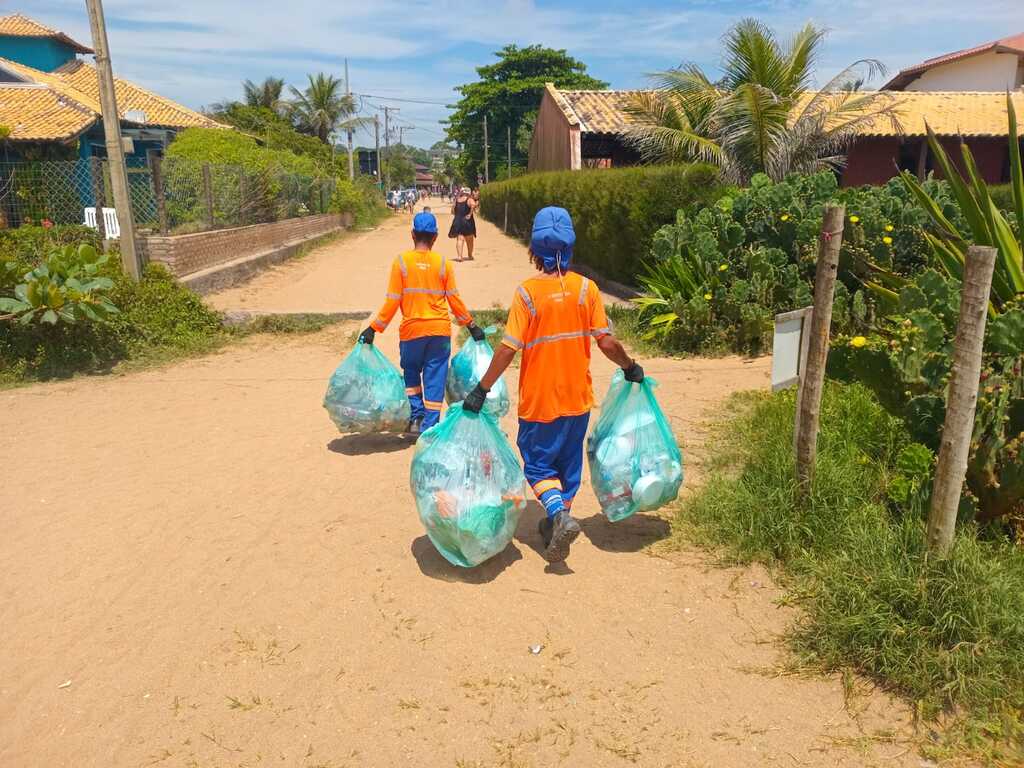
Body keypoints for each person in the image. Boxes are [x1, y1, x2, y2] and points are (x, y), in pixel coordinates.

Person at [462, 207, 644, 564]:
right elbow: (606, 342)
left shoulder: (527, 294)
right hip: (577, 400)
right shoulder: (586, 290)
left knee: (538, 466)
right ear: (571, 247)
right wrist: (631, 366)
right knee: (566, 466)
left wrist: (481, 390)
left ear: (534, 249)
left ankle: (558, 516)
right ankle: (557, 519)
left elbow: (507, 348)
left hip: (540, 401)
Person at [359, 211, 486, 436]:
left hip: (412, 331)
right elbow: (454, 299)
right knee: (435, 378)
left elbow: (392, 301)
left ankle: (416, 418)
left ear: (412, 235)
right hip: (439, 332)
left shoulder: (401, 263)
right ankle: (431, 427)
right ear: (435, 237)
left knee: (411, 372)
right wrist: (471, 325)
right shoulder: (443, 264)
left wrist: (373, 328)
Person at [448, 187, 477, 261]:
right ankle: (470, 255)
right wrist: (470, 214)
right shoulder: (469, 199)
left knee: (460, 239)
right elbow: (473, 205)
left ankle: (459, 256)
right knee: (469, 239)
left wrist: (457, 215)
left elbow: (452, 211)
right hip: (467, 221)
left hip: (457, 221)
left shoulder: (457, 200)